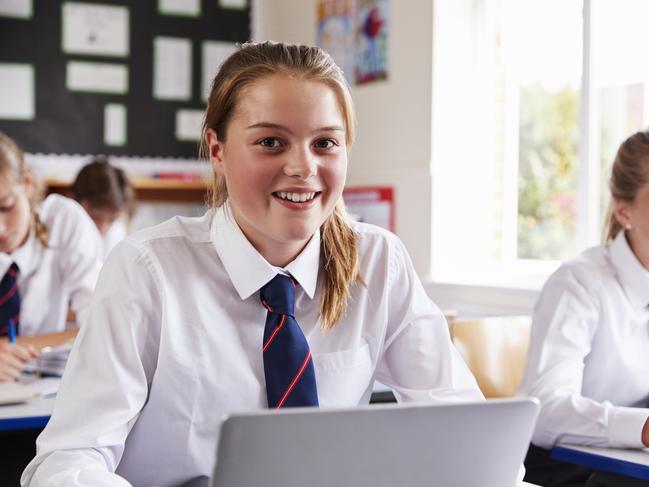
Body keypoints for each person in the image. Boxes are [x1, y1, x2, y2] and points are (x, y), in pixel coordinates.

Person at [21, 41, 482, 486]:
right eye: (271, 142)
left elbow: (466, 432)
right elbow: (70, 458)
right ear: (217, 150)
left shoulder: (378, 261)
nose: (303, 167)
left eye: (325, 143)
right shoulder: (148, 270)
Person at [519, 130, 649, 487]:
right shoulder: (578, 284)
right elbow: (545, 411)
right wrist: (642, 427)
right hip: (565, 468)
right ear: (625, 211)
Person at [0, 132, 103, 382]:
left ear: (26, 182)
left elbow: (99, 326)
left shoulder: (64, 221)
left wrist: (11, 349)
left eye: (6, 206)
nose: (0, 229)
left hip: (43, 391)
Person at [70, 158, 134, 259]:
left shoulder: (116, 234)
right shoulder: (64, 227)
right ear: (72, 199)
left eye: (111, 219)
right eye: (95, 216)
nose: (103, 229)